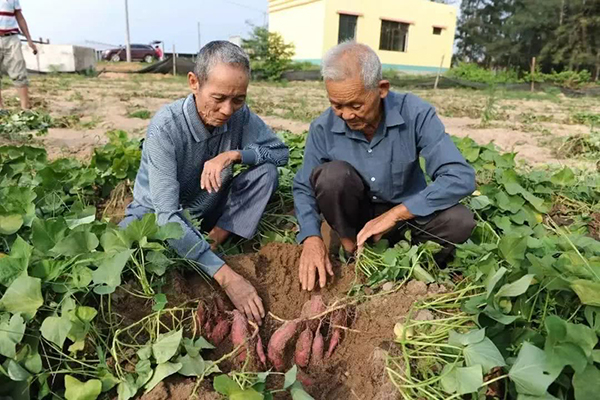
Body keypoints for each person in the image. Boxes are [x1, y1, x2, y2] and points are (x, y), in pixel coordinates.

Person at [121, 41, 289, 324]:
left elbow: (281, 153)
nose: (227, 110)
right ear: (194, 82)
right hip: (157, 216)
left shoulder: (240, 116)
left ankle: (214, 240)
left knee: (266, 172)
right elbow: (167, 217)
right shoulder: (166, 127)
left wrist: (234, 155)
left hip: (209, 205)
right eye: (219, 98)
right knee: (128, 253)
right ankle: (201, 254)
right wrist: (227, 277)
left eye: (238, 100)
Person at [293, 42, 477, 291]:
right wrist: (310, 237)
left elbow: (460, 176)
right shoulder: (322, 127)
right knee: (331, 176)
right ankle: (348, 246)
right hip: (354, 217)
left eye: (356, 105)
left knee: (460, 221)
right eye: (337, 105)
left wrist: (396, 215)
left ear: (382, 89)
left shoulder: (415, 113)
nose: (346, 115)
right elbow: (304, 188)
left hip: (406, 217)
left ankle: (400, 266)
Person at [0, 0, 37, 109]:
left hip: (11, 39)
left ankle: (25, 110)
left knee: (19, 73)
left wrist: (29, 39)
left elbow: (20, 17)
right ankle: (1, 110)